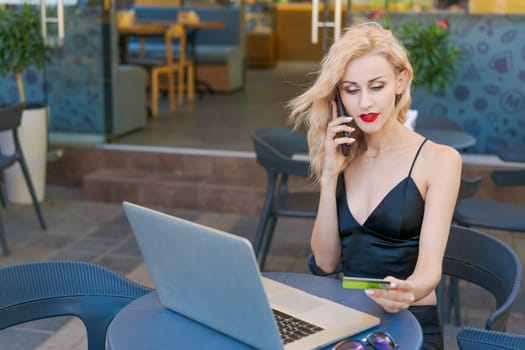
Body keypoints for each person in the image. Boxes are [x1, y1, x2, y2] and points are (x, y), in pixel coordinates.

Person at [288, 22, 462, 349]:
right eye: (351, 90)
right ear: (338, 96)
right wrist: (328, 178)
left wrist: (408, 289)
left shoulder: (440, 160)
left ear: (400, 81)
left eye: (376, 86)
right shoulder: (344, 156)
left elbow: (429, 269)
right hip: (347, 317)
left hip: (411, 320)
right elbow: (326, 263)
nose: (365, 103)